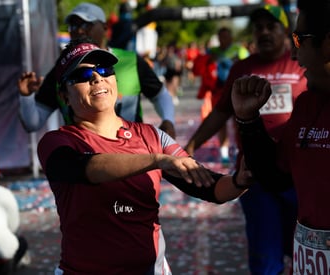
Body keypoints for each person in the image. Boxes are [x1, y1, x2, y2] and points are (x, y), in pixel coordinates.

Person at [36, 39, 254, 274]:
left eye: (104, 70)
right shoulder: (56, 142)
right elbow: (86, 168)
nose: (97, 78)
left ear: (114, 80)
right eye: (83, 74)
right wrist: (156, 160)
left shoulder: (151, 136)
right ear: (64, 95)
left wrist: (239, 181)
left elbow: (209, 187)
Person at [185, 5, 307, 274]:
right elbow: (220, 112)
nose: (263, 32)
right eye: (258, 27)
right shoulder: (243, 68)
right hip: (254, 175)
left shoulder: (302, 63)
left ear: (285, 30)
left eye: (270, 26)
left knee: (302, 249)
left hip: (299, 177)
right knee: (265, 256)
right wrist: (189, 148)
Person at [232, 1, 330, 274]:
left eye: (300, 39)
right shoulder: (308, 105)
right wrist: (248, 120)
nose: (296, 56)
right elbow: (276, 175)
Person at [18, 2, 176, 138]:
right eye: (73, 25)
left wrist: (168, 120)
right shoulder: (61, 70)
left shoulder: (130, 61)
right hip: (85, 158)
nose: (78, 30)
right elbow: (32, 123)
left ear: (105, 28)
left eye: (86, 24)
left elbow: (160, 95)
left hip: (133, 152)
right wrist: (25, 96)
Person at [188, 27, 249, 164]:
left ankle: (242, 151)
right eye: (221, 37)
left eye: (226, 36)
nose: (224, 39)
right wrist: (209, 60)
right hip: (219, 91)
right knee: (220, 123)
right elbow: (199, 67)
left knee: (239, 123)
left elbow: (249, 66)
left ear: (231, 37)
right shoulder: (212, 51)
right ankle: (224, 153)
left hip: (237, 90)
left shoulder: (239, 50)